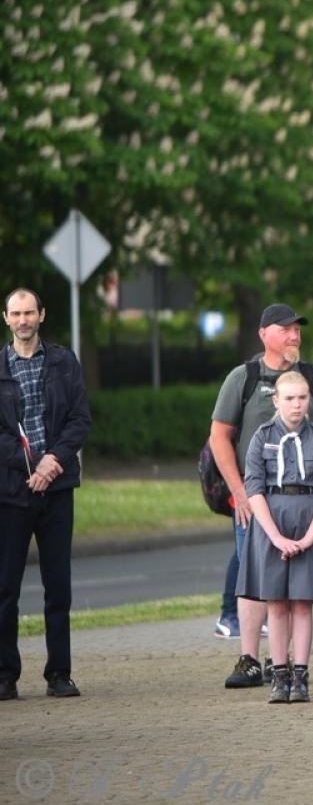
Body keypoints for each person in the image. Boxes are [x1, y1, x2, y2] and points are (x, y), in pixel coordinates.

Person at [211, 303, 313, 689]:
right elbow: (219, 437)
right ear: (264, 334)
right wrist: (239, 492)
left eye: (297, 329)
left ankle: (280, 663)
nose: (294, 335)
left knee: (296, 591)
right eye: (285, 329)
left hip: (304, 499)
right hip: (255, 497)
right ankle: (249, 659)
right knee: (255, 579)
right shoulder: (244, 378)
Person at [0, 287, 92, 701]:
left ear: (42, 315)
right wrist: (29, 465)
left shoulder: (63, 362)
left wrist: (53, 460)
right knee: (5, 589)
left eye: (29, 313)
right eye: (16, 313)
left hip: (57, 489)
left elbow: (79, 419)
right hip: (11, 492)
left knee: (59, 586)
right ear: (5, 318)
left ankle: (59, 673)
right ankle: (5, 676)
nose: (23, 320)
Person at [239, 371, 313, 703]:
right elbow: (254, 490)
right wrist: (275, 537)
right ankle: (279, 675)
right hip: (272, 523)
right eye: (289, 398)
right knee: (276, 603)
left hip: (309, 519)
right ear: (276, 400)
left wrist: (310, 537)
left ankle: (301, 676)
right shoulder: (261, 436)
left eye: (302, 398)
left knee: (302, 602)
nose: (297, 405)